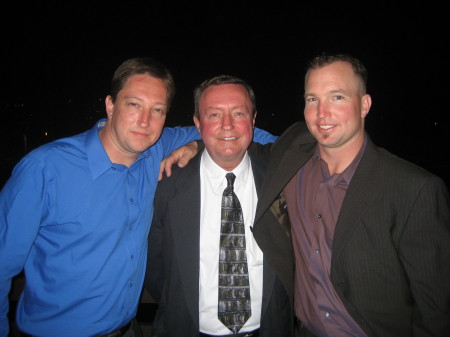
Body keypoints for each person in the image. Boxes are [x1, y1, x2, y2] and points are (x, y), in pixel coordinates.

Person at [251, 53, 450, 336]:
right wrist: (195, 147)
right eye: (312, 99)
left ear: (364, 105)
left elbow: (435, 312)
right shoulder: (292, 150)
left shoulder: (414, 189)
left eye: (337, 97)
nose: (322, 113)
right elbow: (247, 147)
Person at [145, 75, 292, 337]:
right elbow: (157, 270)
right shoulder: (165, 186)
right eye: (214, 115)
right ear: (197, 123)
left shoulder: (283, 180)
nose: (227, 125)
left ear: (253, 120)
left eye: (238, 113)